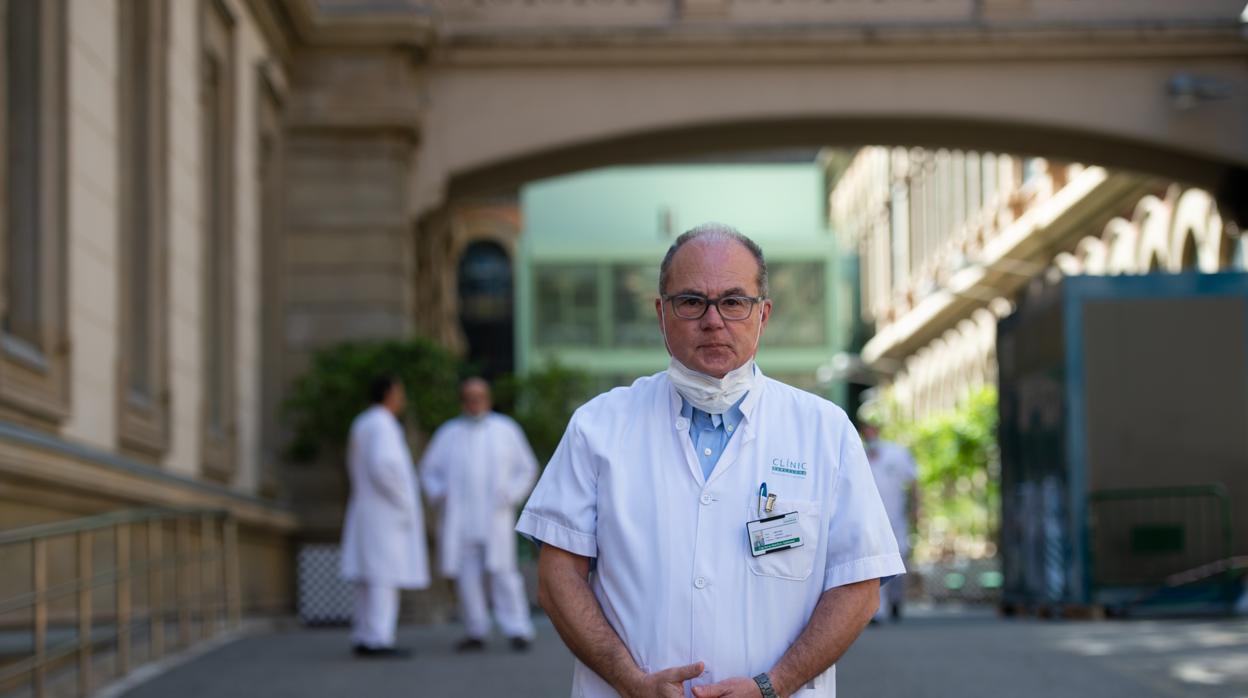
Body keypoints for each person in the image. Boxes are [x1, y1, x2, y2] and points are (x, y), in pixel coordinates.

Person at [517, 223, 904, 698]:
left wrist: (772, 685)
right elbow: (558, 578)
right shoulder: (598, 427)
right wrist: (629, 680)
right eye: (691, 301)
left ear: (763, 315)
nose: (713, 320)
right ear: (662, 313)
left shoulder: (825, 431)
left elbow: (858, 585)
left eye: (734, 301)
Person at [421, 378, 539, 652]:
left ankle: (518, 628)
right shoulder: (448, 433)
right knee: (466, 576)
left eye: (479, 396)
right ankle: (476, 629)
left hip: (495, 516)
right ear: (462, 400)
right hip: (460, 520)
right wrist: (441, 493)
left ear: (488, 398)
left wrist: (511, 495)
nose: (474, 402)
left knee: (504, 574)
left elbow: (527, 468)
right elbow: (428, 471)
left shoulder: (506, 430)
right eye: (469, 397)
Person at [339, 375, 430, 658]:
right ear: (390, 393)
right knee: (383, 577)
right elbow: (384, 467)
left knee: (369, 576)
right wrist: (404, 501)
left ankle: (365, 633)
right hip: (386, 513)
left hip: (369, 509)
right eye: (400, 392)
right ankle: (379, 638)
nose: (402, 399)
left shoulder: (363, 422)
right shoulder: (383, 424)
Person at [860, 415, 919, 622]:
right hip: (869, 519)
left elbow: (913, 481)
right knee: (875, 557)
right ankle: (878, 609)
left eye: (872, 429)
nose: (869, 434)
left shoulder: (897, 453)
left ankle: (896, 601)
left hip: (895, 518)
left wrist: (916, 508)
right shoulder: (857, 453)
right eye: (865, 430)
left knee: (899, 557)